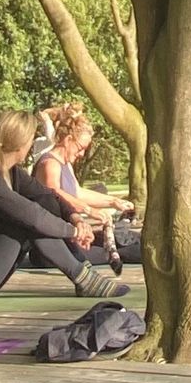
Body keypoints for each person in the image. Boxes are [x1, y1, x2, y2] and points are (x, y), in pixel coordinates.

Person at [0, 110, 128, 305]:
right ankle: (83, 277)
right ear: (23, 144)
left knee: (36, 211)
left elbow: (48, 195)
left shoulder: (11, 173)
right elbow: (35, 217)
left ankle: (82, 272)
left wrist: (75, 217)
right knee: (26, 222)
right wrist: (73, 231)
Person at [26, 103, 139, 272]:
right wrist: (90, 211)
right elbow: (56, 195)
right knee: (121, 253)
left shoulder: (65, 164)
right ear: (68, 139)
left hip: (74, 237)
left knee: (129, 242)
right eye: (81, 148)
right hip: (54, 247)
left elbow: (77, 193)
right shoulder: (49, 164)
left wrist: (114, 202)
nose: (81, 154)